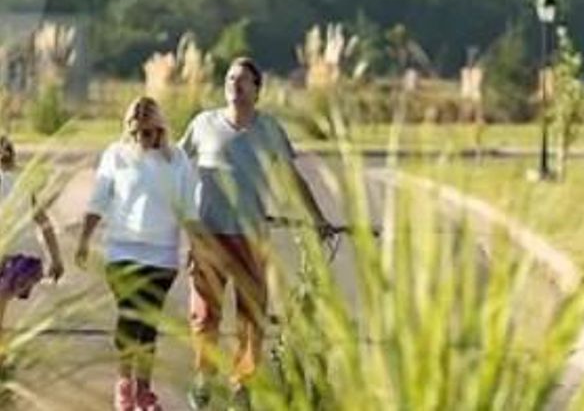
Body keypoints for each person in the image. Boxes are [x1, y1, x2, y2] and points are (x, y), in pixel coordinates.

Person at [181, 57, 334, 411]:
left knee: (251, 317)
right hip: (209, 235)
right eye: (230, 79)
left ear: (257, 90)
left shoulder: (269, 130)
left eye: (243, 80)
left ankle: (242, 384)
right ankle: (204, 376)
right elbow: (175, 166)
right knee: (204, 314)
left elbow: (291, 178)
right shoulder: (203, 124)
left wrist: (317, 217)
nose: (235, 85)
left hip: (250, 235)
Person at [75, 97, 200, 411]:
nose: (140, 138)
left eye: (146, 132)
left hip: (162, 256)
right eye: (134, 132)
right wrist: (84, 239)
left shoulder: (177, 159)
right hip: (122, 252)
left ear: (159, 129)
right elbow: (98, 200)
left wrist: (197, 247)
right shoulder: (116, 155)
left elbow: (188, 207)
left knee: (148, 323)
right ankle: (124, 386)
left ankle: (143, 391)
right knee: (131, 317)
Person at [0, 136, 64, 370]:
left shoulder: (18, 183)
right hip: (26, 261)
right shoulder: (23, 183)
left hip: (14, 259)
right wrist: (56, 258)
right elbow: (44, 223)